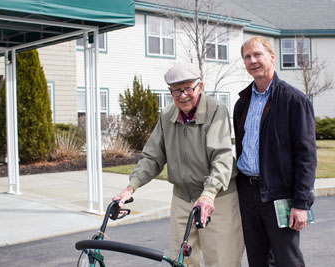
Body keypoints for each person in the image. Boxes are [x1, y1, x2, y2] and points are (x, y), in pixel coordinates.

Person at [114, 62, 244, 267]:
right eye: (176, 90)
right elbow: (152, 157)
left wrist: (208, 194)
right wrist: (131, 188)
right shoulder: (167, 116)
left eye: (188, 88)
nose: (182, 95)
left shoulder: (215, 110)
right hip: (182, 199)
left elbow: (221, 156)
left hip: (217, 199)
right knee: (181, 261)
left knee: (222, 261)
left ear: (200, 86)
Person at [233, 36, 317, 267]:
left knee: (287, 260)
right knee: (258, 261)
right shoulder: (242, 102)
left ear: (272, 56)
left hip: (280, 195)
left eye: (257, 54)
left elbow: (306, 156)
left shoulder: (294, 100)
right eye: (247, 57)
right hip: (247, 194)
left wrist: (301, 203)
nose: (252, 60)